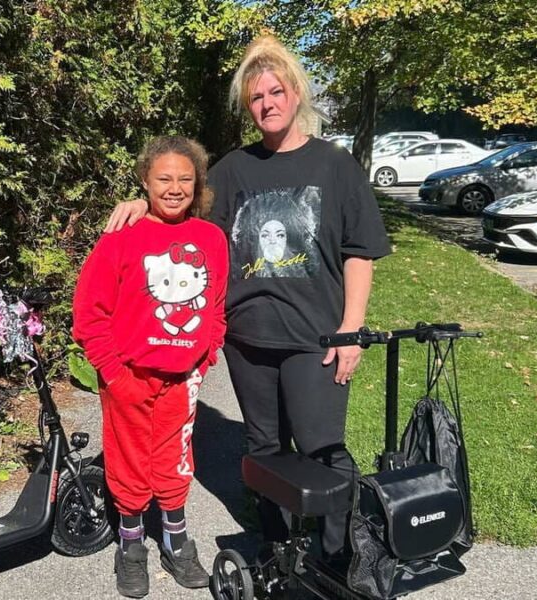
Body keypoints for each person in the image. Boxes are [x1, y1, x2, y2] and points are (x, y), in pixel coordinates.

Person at [104, 35, 391, 561]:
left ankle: (342, 555)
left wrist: (351, 330)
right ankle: (278, 549)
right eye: (256, 98)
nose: (267, 105)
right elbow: (182, 221)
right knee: (263, 447)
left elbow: (359, 253)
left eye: (276, 92)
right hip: (248, 338)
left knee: (321, 444)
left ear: (296, 93)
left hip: (318, 338)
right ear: (248, 106)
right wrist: (138, 202)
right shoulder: (234, 169)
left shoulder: (335, 165)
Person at [73, 136, 228, 598]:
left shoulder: (210, 238)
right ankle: (132, 544)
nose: (175, 187)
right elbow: (89, 314)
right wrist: (115, 374)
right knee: (128, 463)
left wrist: (206, 355)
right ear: (145, 181)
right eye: (164, 178)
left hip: (183, 378)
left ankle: (177, 541)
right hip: (129, 377)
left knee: (175, 461)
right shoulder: (123, 236)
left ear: (198, 184)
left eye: (185, 178)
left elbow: (216, 306)